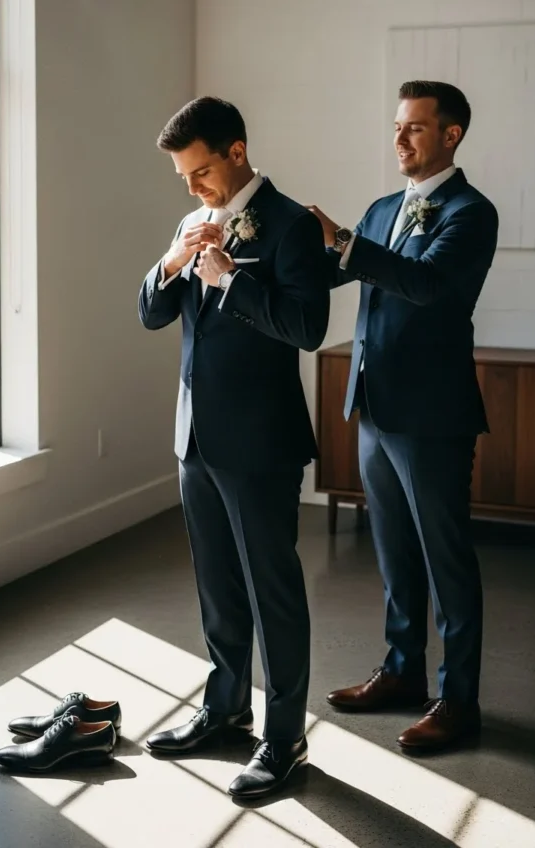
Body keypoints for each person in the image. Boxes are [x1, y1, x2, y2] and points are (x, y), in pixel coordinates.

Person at [138, 96, 329, 797]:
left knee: (272, 591)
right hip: (195, 438)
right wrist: (170, 263)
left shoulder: (289, 226)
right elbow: (152, 312)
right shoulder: (193, 220)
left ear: (237, 153)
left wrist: (233, 280)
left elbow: (307, 326)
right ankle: (224, 710)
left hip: (260, 442)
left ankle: (285, 739)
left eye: (200, 171)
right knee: (217, 588)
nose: (191, 188)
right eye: (183, 177)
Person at [309, 80, 498, 752]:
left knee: (447, 563)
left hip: (432, 417)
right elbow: (335, 268)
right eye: (397, 126)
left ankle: (459, 701)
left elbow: (424, 285)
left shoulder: (471, 213)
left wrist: (347, 244)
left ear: (451, 135)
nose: (399, 139)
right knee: (394, 557)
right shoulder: (385, 206)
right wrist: (282, 248)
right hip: (374, 411)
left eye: (415, 128)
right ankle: (400, 672)